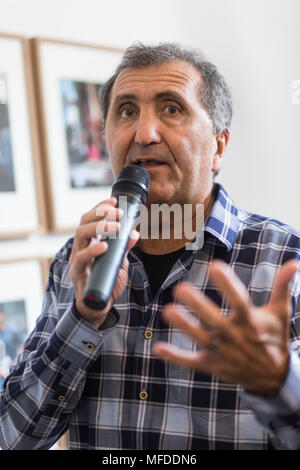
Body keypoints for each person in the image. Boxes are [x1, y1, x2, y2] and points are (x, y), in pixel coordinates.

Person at [0, 42, 300, 450]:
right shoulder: (78, 263)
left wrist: (278, 384)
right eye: (126, 112)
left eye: (171, 109)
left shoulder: (286, 262)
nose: (144, 133)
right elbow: (11, 437)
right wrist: (83, 318)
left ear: (219, 146)